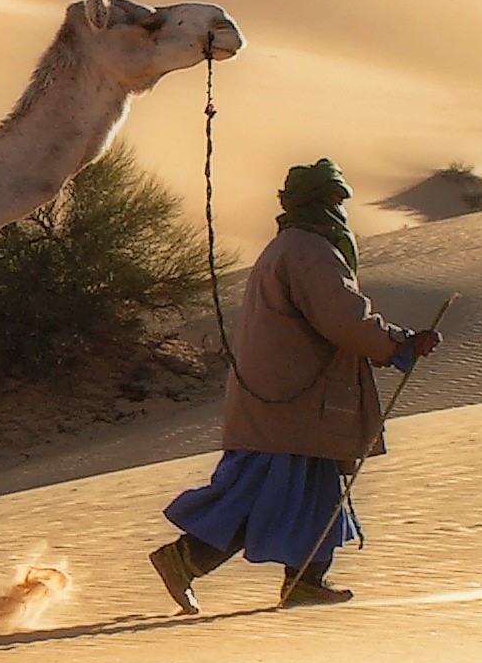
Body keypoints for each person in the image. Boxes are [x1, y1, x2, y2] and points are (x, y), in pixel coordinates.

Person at [149, 158, 442, 611]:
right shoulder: (309, 253)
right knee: (264, 497)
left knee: (308, 497)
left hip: (291, 406)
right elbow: (344, 319)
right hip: (293, 406)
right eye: (333, 199)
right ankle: (184, 559)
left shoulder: (292, 248)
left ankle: (301, 582)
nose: (340, 209)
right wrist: (399, 343)